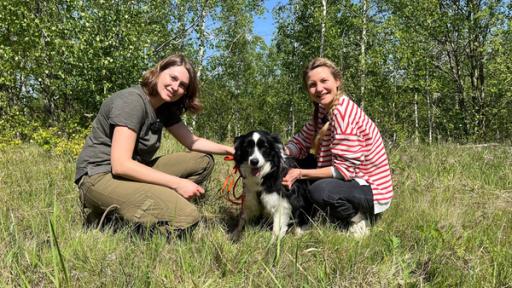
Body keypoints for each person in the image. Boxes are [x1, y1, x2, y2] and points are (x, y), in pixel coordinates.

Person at [75, 54, 234, 236]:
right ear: (159, 72)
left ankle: (150, 204)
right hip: (99, 178)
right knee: (186, 216)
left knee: (203, 161)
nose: (175, 87)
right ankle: (111, 220)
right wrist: (177, 184)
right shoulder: (132, 101)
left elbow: (191, 141)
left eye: (182, 85)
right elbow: (120, 165)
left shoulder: (164, 107)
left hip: (131, 172)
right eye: (173, 78)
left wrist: (231, 150)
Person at [282, 57, 393, 237]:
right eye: (312, 84)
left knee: (320, 190)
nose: (319, 89)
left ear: (337, 81)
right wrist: (277, 153)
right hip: (352, 180)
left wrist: (300, 173)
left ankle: (358, 220)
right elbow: (301, 141)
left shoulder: (343, 113)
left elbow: (344, 171)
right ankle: (307, 215)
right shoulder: (322, 111)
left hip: (371, 189)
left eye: (324, 81)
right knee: (293, 161)